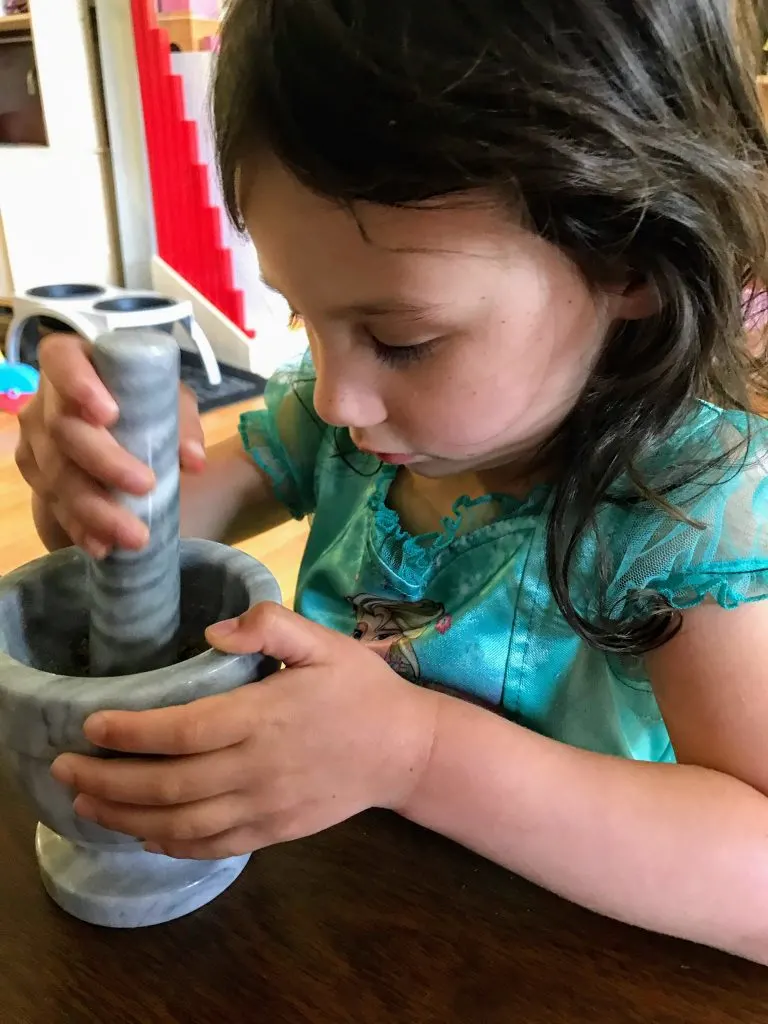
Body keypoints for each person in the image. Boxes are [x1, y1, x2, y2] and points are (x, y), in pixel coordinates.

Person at [15, 0, 768, 963]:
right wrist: (102, 473)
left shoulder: (690, 507)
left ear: (630, 262)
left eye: (400, 340)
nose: (335, 398)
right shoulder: (356, 423)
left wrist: (416, 755)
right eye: (301, 318)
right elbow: (131, 544)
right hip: (347, 922)